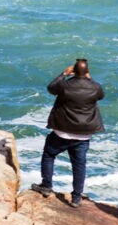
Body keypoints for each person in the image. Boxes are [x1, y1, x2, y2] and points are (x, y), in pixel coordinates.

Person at [31, 58, 105, 208]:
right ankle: (76, 198)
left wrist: (64, 73)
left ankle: (46, 186)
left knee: (49, 155)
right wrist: (88, 77)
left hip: (62, 132)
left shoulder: (65, 85)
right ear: (87, 72)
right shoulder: (95, 87)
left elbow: (51, 88)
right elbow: (101, 95)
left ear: (74, 71)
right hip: (83, 135)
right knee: (79, 165)